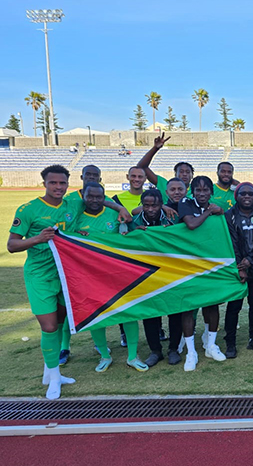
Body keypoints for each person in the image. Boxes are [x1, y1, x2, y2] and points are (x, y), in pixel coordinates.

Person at [7, 165, 128, 399]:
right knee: (49, 327)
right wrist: (38, 239)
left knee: (60, 321)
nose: (58, 187)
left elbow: (98, 201)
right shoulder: (29, 209)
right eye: (53, 183)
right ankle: (54, 378)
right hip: (40, 275)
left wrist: (119, 207)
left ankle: (49, 371)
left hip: (68, 273)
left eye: (62, 183)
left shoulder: (73, 203)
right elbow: (12, 245)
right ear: (44, 183)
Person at [76, 182, 149, 373]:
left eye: (98, 197)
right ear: (83, 195)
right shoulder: (75, 217)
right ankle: (104, 356)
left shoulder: (116, 215)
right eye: (90, 196)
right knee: (96, 315)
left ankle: (132, 356)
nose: (94, 200)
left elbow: (131, 233)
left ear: (104, 197)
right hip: (89, 276)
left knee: (128, 313)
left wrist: (137, 232)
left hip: (116, 274)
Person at [127, 188, 183, 367]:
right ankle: (155, 351)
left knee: (175, 310)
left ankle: (173, 349)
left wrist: (170, 232)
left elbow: (183, 240)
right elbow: (124, 243)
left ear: (162, 205)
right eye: (147, 205)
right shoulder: (133, 222)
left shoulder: (172, 219)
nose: (150, 209)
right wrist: (134, 234)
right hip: (145, 275)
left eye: (155, 205)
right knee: (150, 313)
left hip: (170, 272)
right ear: (142, 205)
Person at [177, 176, 227, 370]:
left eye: (206, 190)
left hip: (209, 264)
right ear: (192, 191)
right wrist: (209, 212)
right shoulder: (185, 203)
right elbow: (191, 224)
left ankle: (211, 345)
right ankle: (191, 352)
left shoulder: (215, 205)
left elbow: (221, 220)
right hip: (189, 265)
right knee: (189, 308)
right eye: (198, 190)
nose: (202, 193)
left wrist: (218, 211)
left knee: (212, 306)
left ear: (211, 192)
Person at [223, 182, 253, 358]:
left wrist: (250, 260)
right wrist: (239, 267)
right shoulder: (229, 215)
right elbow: (231, 242)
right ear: (237, 196)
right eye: (243, 194)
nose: (247, 196)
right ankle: (230, 343)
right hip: (237, 269)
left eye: (250, 193)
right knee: (234, 306)